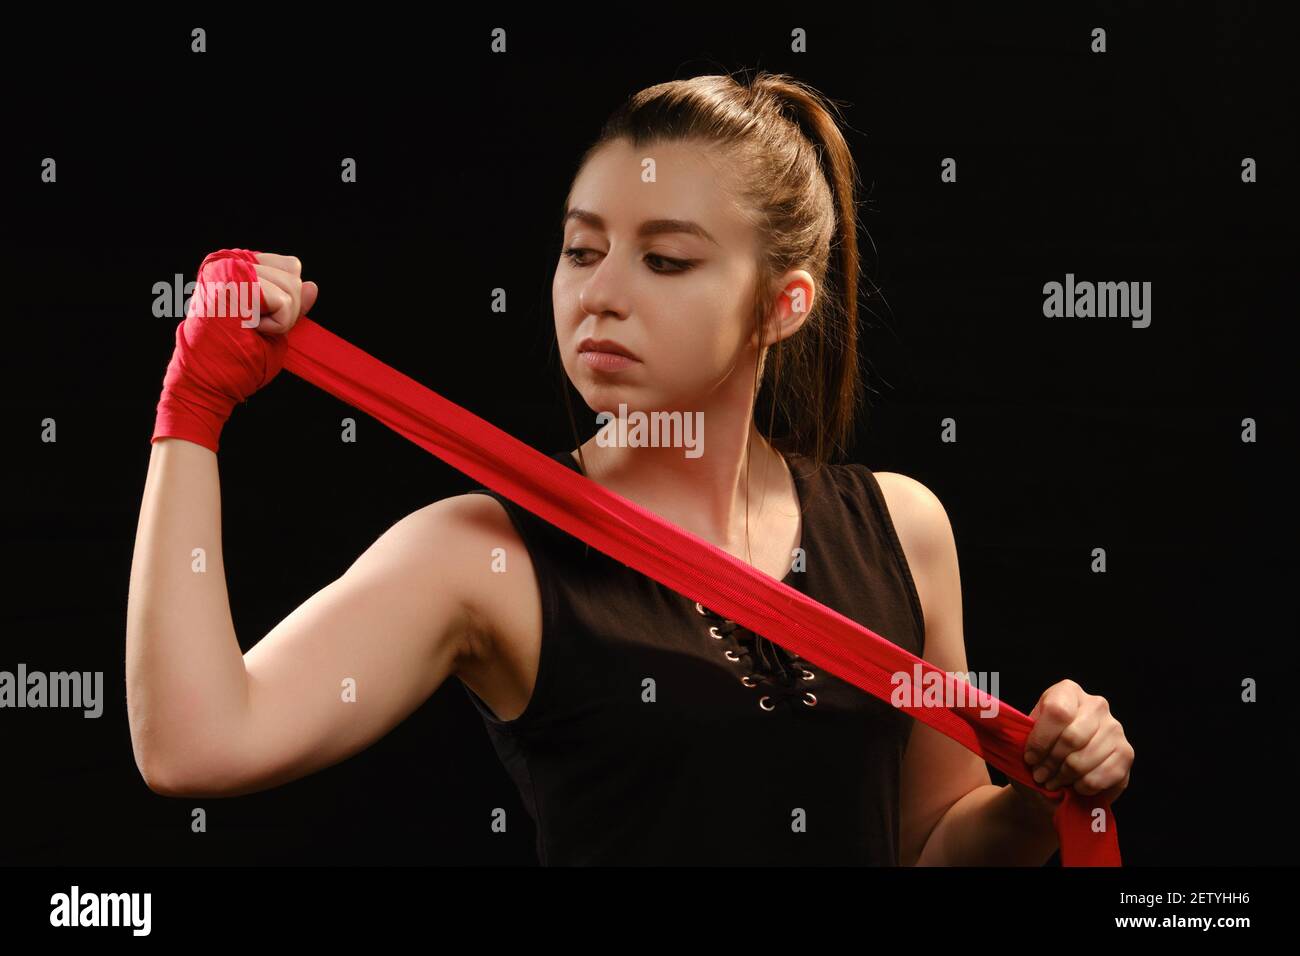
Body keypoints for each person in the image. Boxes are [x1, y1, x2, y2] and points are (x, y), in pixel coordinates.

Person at [127, 70, 1132, 866]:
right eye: (580, 248)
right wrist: (194, 410)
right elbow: (196, 743)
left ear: (783, 302)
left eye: (664, 259)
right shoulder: (484, 553)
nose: (598, 295)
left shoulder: (901, 529)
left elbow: (927, 846)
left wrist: (1049, 798)